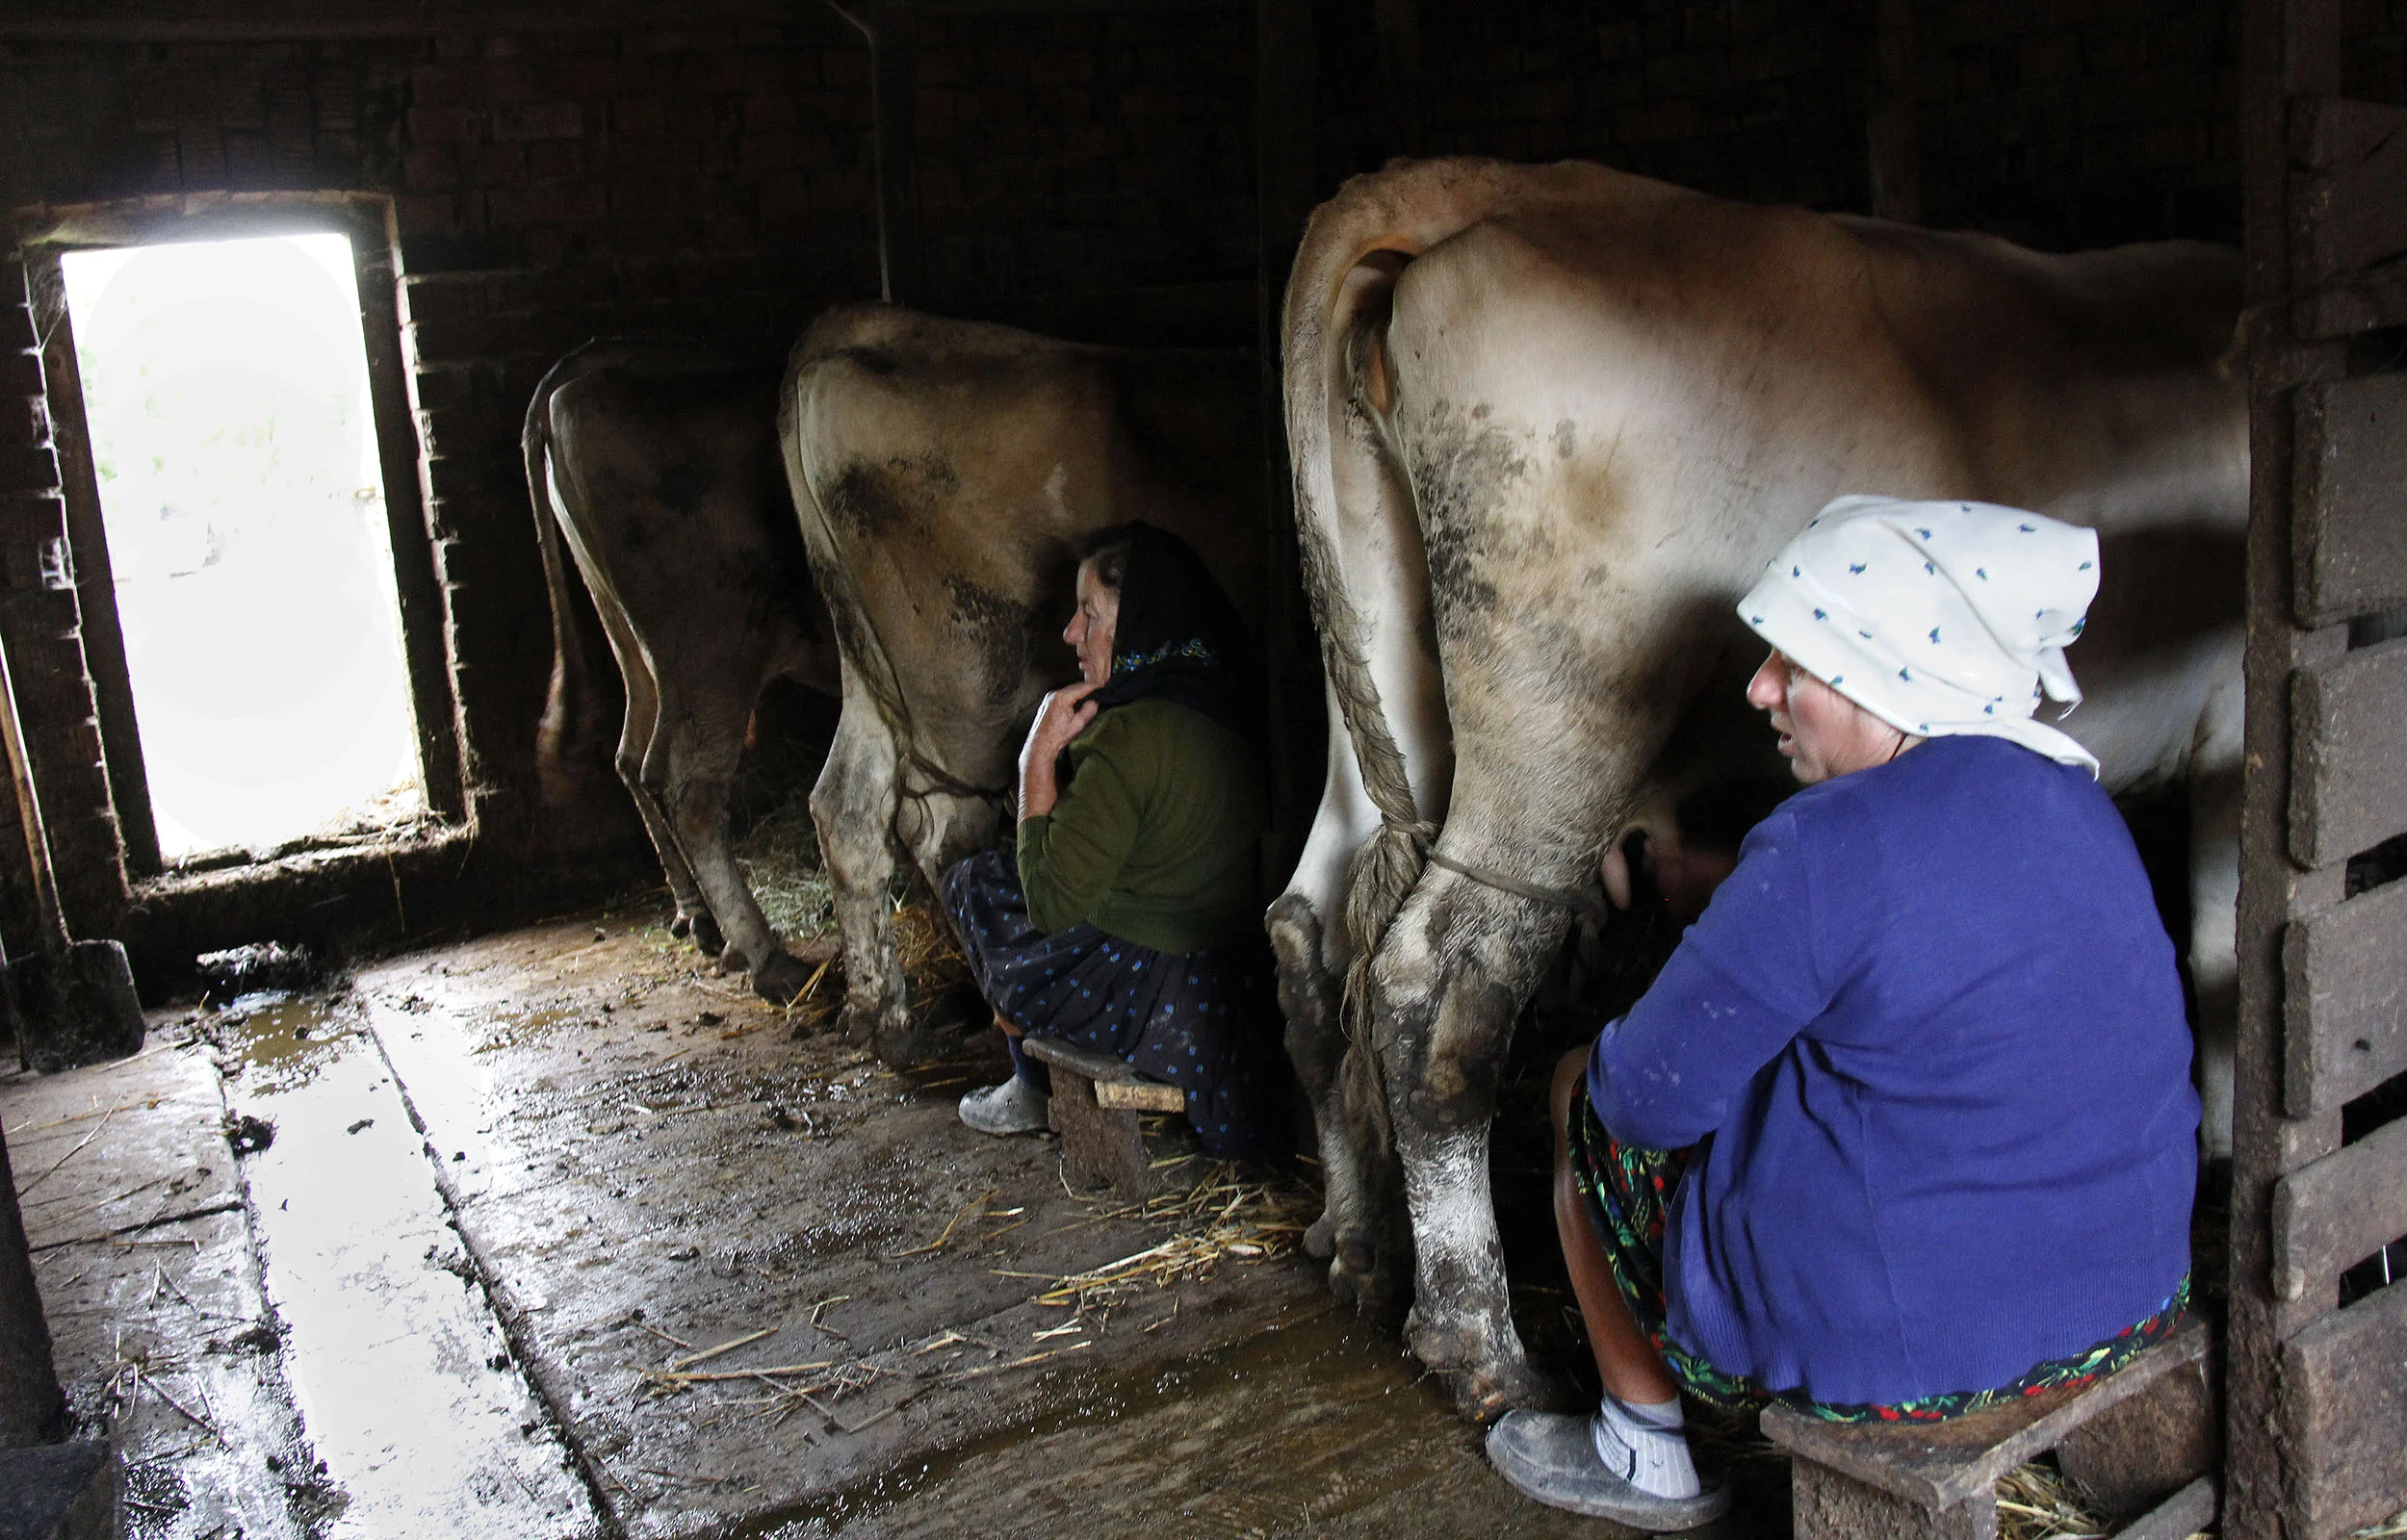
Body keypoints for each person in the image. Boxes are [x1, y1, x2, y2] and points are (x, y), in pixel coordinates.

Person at [1487, 497, 2200, 1529]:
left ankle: (1643, 1451)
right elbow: (1927, 929)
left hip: (1917, 1357)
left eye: (1797, 663)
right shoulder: (2075, 796)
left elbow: (1642, 1099)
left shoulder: (1821, 846)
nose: (1758, 687)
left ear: (1888, 677)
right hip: (2132, 1289)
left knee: (1578, 1090)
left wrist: (1720, 940)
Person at [941, 522, 1285, 1159]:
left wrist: (1036, 762)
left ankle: (1030, 1085)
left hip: (1149, 992)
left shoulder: (1128, 739)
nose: (1071, 632)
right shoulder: (1228, 703)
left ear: (1139, 624)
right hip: (1230, 986)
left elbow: (1050, 904)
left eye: (1090, 614)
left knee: (976, 883)